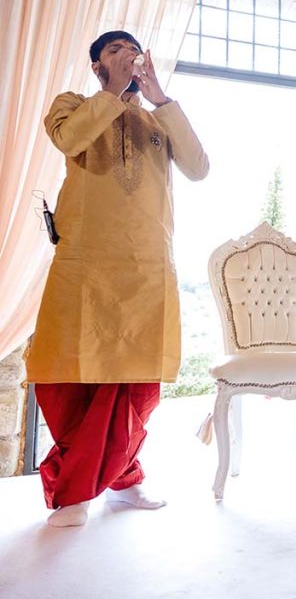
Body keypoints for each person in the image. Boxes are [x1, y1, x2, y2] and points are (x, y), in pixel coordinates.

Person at [25, 30, 209, 527]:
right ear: (97, 67)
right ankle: (75, 493)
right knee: (70, 382)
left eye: (131, 49)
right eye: (114, 51)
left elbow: (198, 167)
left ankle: (122, 483)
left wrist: (161, 99)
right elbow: (69, 139)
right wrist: (113, 93)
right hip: (85, 268)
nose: (126, 55)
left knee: (136, 385)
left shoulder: (157, 119)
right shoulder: (74, 104)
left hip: (148, 267)